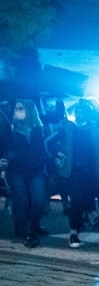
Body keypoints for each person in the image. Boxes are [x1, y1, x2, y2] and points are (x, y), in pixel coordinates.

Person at [4, 99, 49, 247]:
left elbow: (45, 148)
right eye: (16, 108)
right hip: (15, 169)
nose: (17, 111)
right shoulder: (10, 128)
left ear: (30, 110)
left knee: (39, 201)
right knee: (22, 200)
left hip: (35, 169)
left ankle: (31, 225)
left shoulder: (40, 128)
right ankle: (27, 233)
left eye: (21, 108)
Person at [64, 100, 99, 249]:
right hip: (73, 170)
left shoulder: (95, 130)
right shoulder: (68, 128)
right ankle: (73, 233)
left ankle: (89, 216)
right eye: (77, 112)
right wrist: (57, 159)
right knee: (76, 200)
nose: (79, 115)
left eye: (82, 112)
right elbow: (49, 142)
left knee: (85, 198)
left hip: (89, 170)